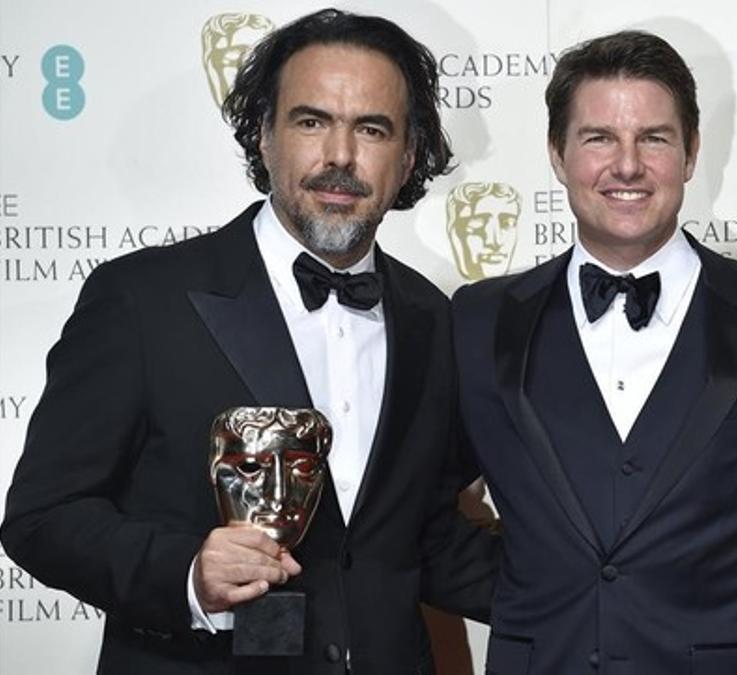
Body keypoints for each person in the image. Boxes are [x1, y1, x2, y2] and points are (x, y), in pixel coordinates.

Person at [1, 8, 497, 674]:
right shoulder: (143, 300)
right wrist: (187, 572)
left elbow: (423, 538)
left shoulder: (432, 320)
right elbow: (42, 516)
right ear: (263, 134)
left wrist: (617, 589)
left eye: (371, 128)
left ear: (407, 156)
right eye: (311, 120)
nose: (340, 157)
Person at [452, 30, 737, 675]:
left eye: (655, 138)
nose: (628, 165)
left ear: (692, 153)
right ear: (557, 154)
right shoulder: (479, 319)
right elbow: (416, 511)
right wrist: (534, 597)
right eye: (598, 138)